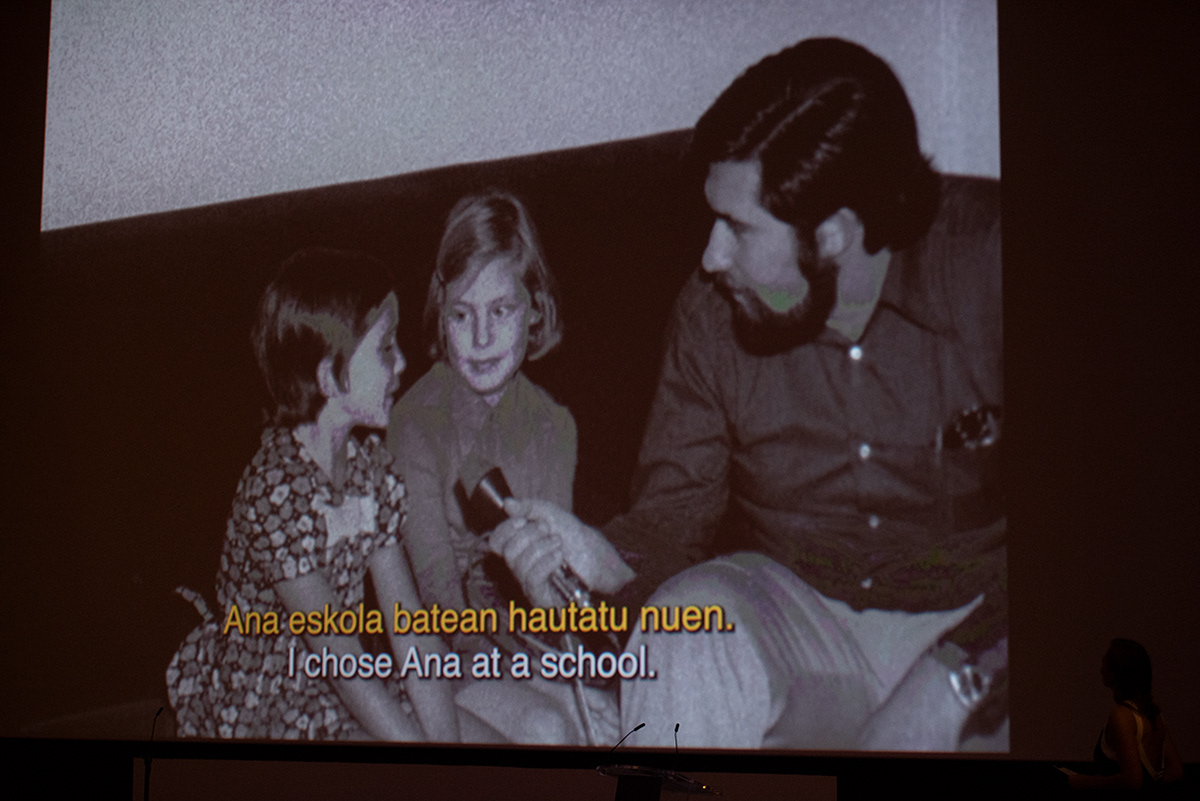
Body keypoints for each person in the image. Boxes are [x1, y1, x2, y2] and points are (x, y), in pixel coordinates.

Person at [494, 37, 1006, 751]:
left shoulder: (990, 266)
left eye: (737, 227)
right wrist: (604, 563)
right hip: (803, 622)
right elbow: (672, 521)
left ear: (833, 234)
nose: (711, 256)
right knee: (685, 626)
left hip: (983, 623)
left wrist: (955, 676)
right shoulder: (709, 316)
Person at [167, 248, 462, 741]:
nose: (403, 362)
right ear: (328, 377)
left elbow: (409, 629)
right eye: (385, 348)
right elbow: (341, 664)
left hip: (346, 678)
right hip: (275, 698)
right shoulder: (275, 492)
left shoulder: (370, 470)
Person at [388, 191, 630, 744]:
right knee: (548, 728)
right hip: (438, 656)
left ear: (536, 309)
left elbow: (550, 589)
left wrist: (574, 676)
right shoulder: (415, 424)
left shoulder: (554, 425)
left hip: (524, 648)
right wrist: (542, 682)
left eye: (501, 311)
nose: (480, 338)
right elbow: (437, 597)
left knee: (616, 722)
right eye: (461, 315)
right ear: (441, 316)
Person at [1064, 639, 1183, 792]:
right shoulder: (1154, 715)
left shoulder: (1122, 716)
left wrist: (1086, 782)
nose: (1101, 664)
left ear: (1115, 673)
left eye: (1105, 660)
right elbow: (1175, 771)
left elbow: (1133, 780)